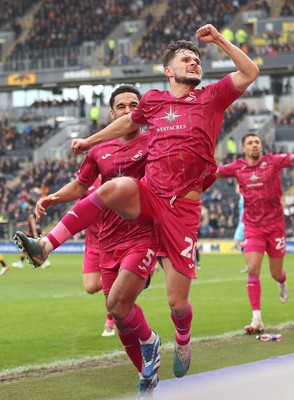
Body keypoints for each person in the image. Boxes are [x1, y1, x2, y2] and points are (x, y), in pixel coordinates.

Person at [14, 24, 259, 384]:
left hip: (183, 211)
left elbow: (250, 72)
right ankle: (46, 245)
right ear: (167, 70)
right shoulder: (154, 101)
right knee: (115, 187)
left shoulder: (212, 97)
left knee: (177, 303)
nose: (194, 63)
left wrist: (220, 40)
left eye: (196, 60)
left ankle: (182, 338)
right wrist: (89, 141)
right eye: (185, 59)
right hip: (151, 195)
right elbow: (129, 120)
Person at [15, 85, 160, 399]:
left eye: (133, 105)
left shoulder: (153, 142)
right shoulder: (99, 150)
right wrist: (54, 197)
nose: (127, 111)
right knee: (119, 313)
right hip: (108, 240)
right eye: (120, 106)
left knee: (117, 304)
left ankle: (151, 342)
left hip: (142, 236)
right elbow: (81, 187)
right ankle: (145, 377)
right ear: (111, 114)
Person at [217, 133, 293, 334]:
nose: (254, 145)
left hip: (275, 226)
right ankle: (257, 318)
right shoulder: (237, 167)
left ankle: (282, 282)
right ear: (244, 149)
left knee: (276, 273)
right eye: (250, 143)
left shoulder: (273, 162)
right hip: (253, 227)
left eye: (257, 142)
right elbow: (213, 172)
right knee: (252, 268)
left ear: (261, 146)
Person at [80, 178, 116, 337]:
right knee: (90, 287)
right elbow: (80, 208)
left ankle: (110, 321)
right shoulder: (89, 181)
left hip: (114, 240)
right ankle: (123, 279)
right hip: (93, 242)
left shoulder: (118, 178)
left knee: (108, 286)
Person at [13, 200, 50, 269]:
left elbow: (32, 222)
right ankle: (46, 261)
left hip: (32, 233)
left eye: (27, 204)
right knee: (34, 247)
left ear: (29, 204)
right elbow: (31, 222)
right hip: (35, 231)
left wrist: (35, 233)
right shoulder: (35, 210)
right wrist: (22, 224)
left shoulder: (31, 212)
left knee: (27, 247)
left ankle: (21, 263)